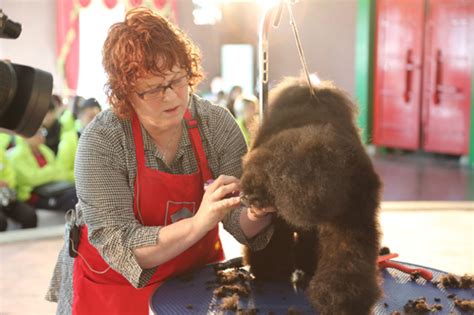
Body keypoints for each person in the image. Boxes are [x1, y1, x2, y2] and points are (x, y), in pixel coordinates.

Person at [46, 8, 275, 315]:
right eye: (153, 89)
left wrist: (257, 211)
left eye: (177, 80)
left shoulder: (215, 124)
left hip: (191, 281)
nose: (171, 97)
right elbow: (122, 245)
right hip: (113, 286)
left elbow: (239, 218)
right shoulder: (102, 141)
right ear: (125, 92)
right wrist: (197, 224)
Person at [7, 129, 77, 212]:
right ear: (24, 136)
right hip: (33, 195)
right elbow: (30, 179)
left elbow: (59, 172)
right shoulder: (17, 155)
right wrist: (51, 171)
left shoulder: (46, 151)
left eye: (43, 132)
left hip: (52, 189)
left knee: (76, 193)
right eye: (36, 133)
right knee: (72, 199)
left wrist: (44, 174)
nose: (41, 136)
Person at [0, 149, 37, 231]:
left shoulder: (0, 153)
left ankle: (28, 243)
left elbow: (11, 175)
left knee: (30, 215)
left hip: (6, 196)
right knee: (1, 222)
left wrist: (7, 183)